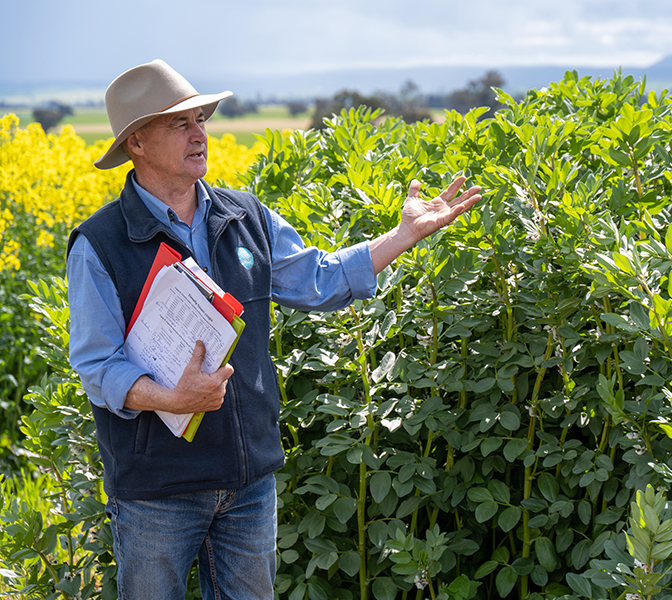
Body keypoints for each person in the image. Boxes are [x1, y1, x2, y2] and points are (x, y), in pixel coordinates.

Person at [65, 59, 481, 599]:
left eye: (201, 119)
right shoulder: (99, 244)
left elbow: (321, 279)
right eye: (180, 123)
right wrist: (171, 397)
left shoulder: (248, 217)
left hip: (248, 483)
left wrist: (402, 236)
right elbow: (98, 365)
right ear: (137, 143)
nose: (200, 133)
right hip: (156, 492)